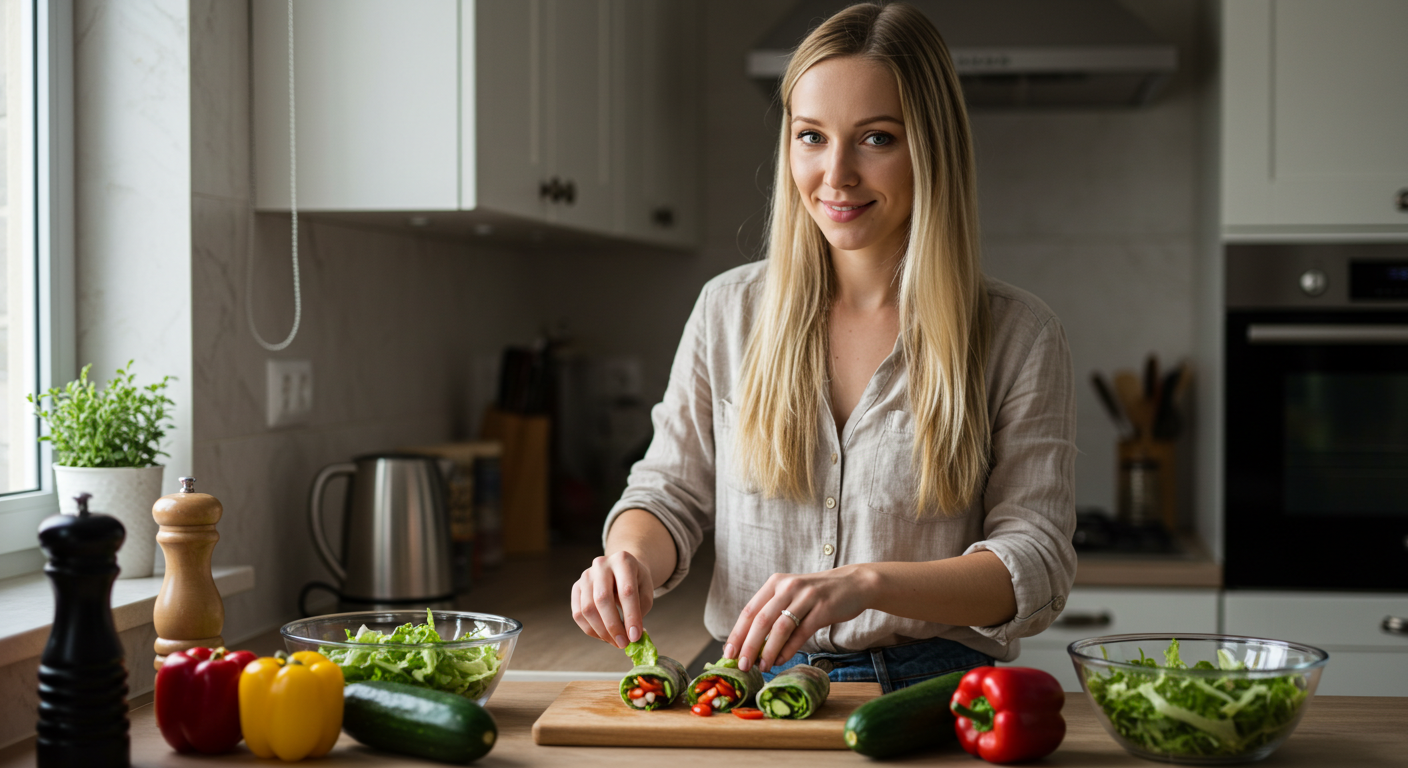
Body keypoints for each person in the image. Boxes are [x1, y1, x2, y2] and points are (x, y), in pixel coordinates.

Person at [570, 1, 1076, 691]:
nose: (835, 174)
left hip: (932, 695)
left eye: (876, 138)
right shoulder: (728, 312)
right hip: (747, 683)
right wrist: (628, 559)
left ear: (931, 147)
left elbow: (1036, 560)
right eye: (811, 136)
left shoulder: (1020, 335)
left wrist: (865, 584)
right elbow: (668, 494)